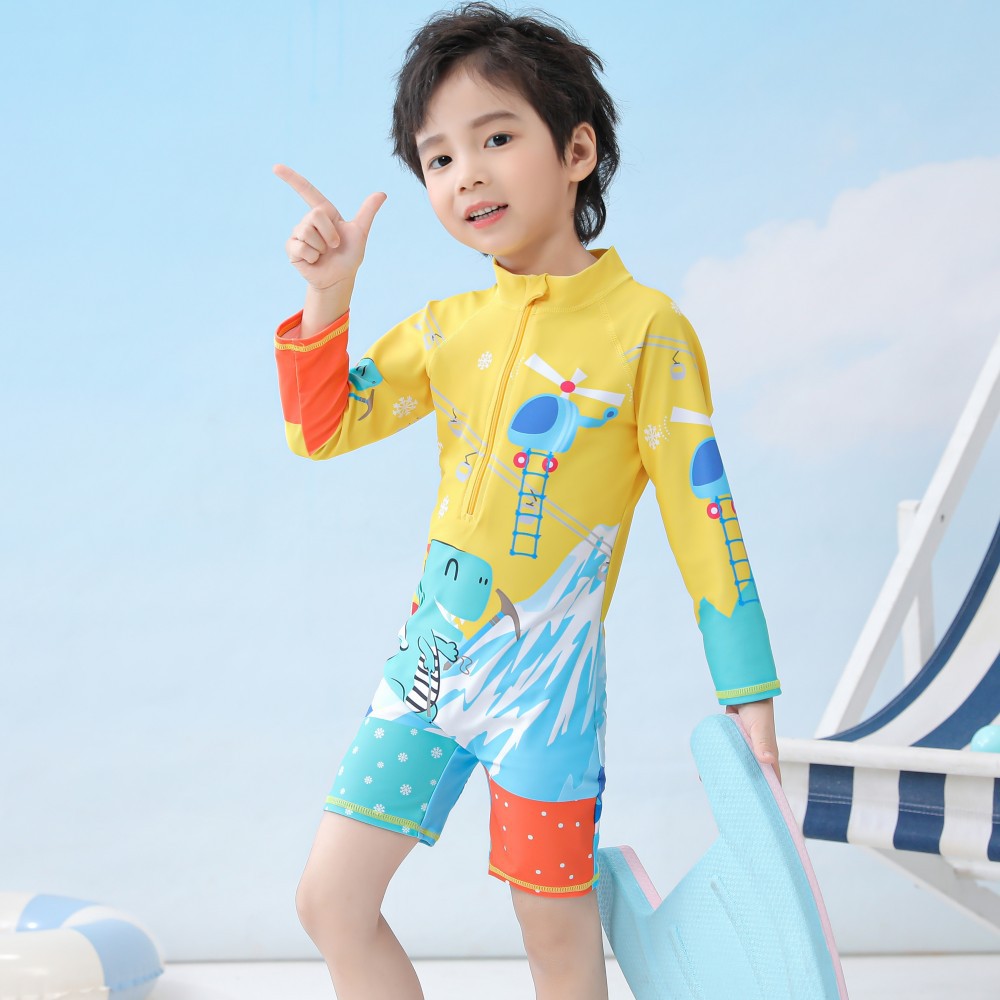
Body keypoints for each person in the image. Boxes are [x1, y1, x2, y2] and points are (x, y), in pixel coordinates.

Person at [273, 4, 781, 998]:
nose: (466, 174)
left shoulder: (648, 331)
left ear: (577, 150)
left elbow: (704, 517)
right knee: (329, 901)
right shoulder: (445, 328)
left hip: (549, 698)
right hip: (427, 671)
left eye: (496, 139)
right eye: (438, 158)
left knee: (555, 937)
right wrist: (330, 296)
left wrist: (747, 698)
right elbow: (320, 429)